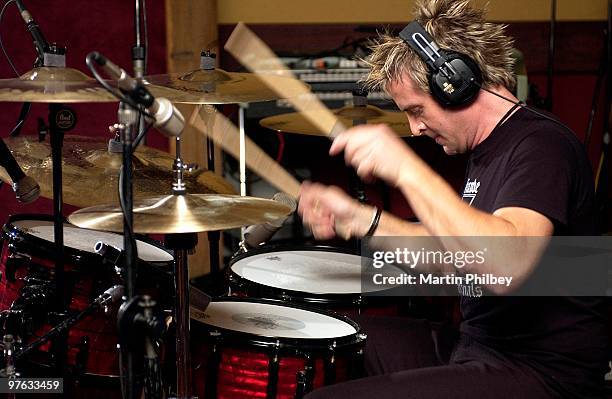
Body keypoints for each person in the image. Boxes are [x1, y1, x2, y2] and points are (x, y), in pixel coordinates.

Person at [297, 0, 608, 398]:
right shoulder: (488, 150)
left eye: (417, 110)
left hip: (543, 372)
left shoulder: (543, 145)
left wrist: (406, 170)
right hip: (477, 346)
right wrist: (363, 220)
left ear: (456, 83)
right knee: (324, 337)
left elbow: (505, 265)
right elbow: (455, 257)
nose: (415, 127)